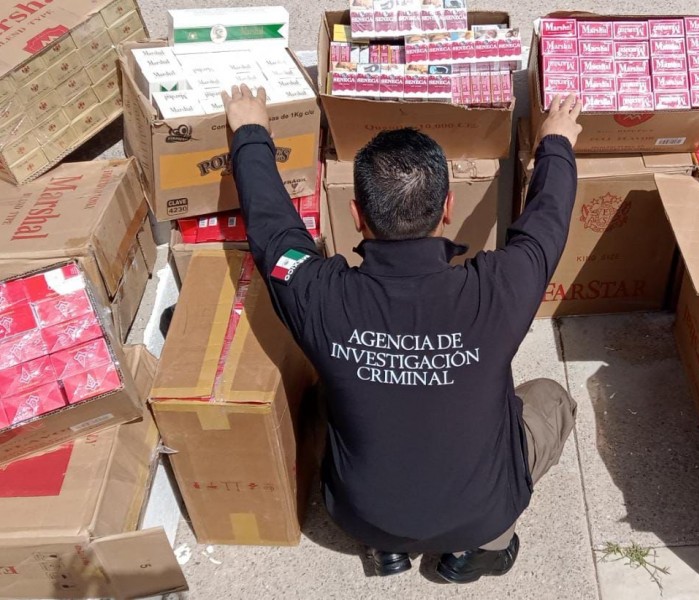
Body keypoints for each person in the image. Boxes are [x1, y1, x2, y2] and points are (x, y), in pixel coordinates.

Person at [222, 84, 582, 583]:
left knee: (329, 396)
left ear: (356, 216)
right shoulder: (500, 289)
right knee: (550, 397)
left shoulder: (319, 295)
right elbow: (548, 223)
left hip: (362, 515)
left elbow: (272, 231)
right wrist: (556, 141)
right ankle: (479, 551)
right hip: (481, 512)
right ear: (449, 206)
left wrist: (249, 133)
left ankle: (383, 548)